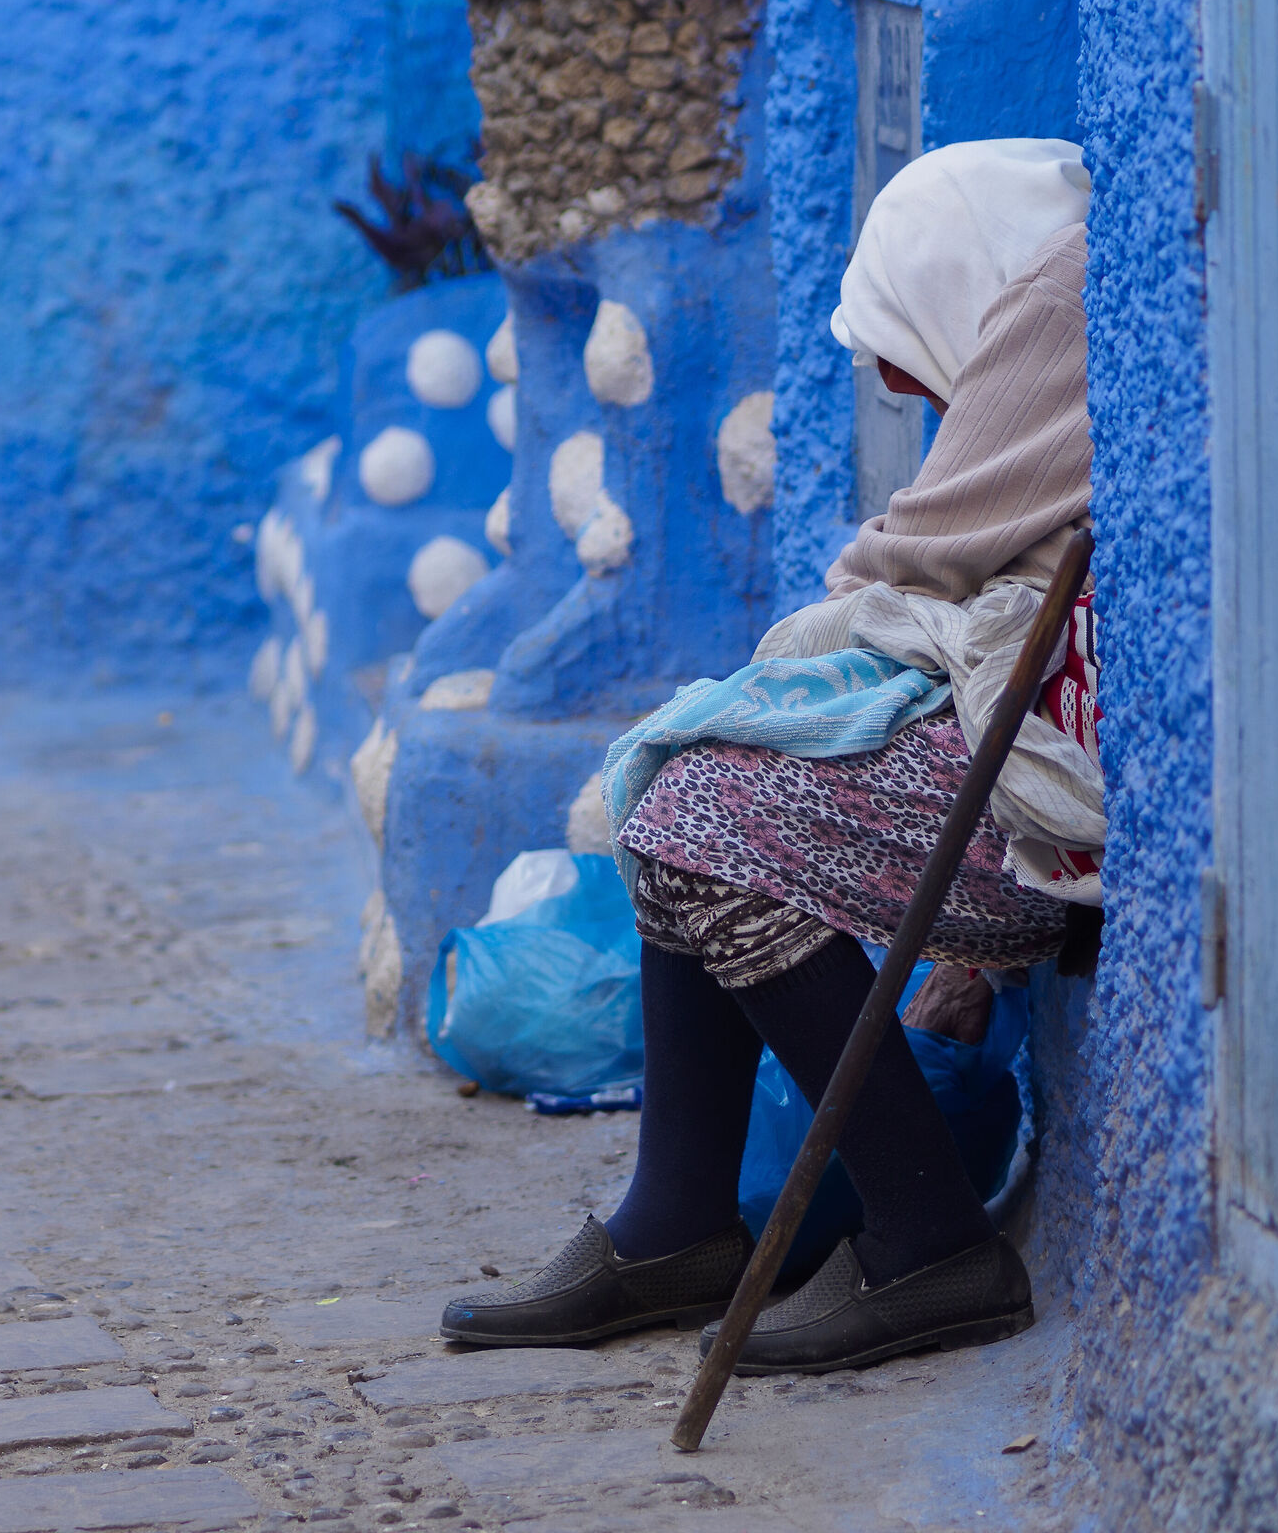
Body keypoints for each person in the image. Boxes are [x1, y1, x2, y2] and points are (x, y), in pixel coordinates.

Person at [442, 139, 1102, 1374]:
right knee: (679, 798)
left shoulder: (1056, 315)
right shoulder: (1046, 307)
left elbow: (912, 562)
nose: (908, 389)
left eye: (905, 343)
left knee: (699, 817)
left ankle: (929, 1246)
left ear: (961, 281)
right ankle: (677, 1223)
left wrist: (818, 635)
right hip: (1024, 753)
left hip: (1051, 806)